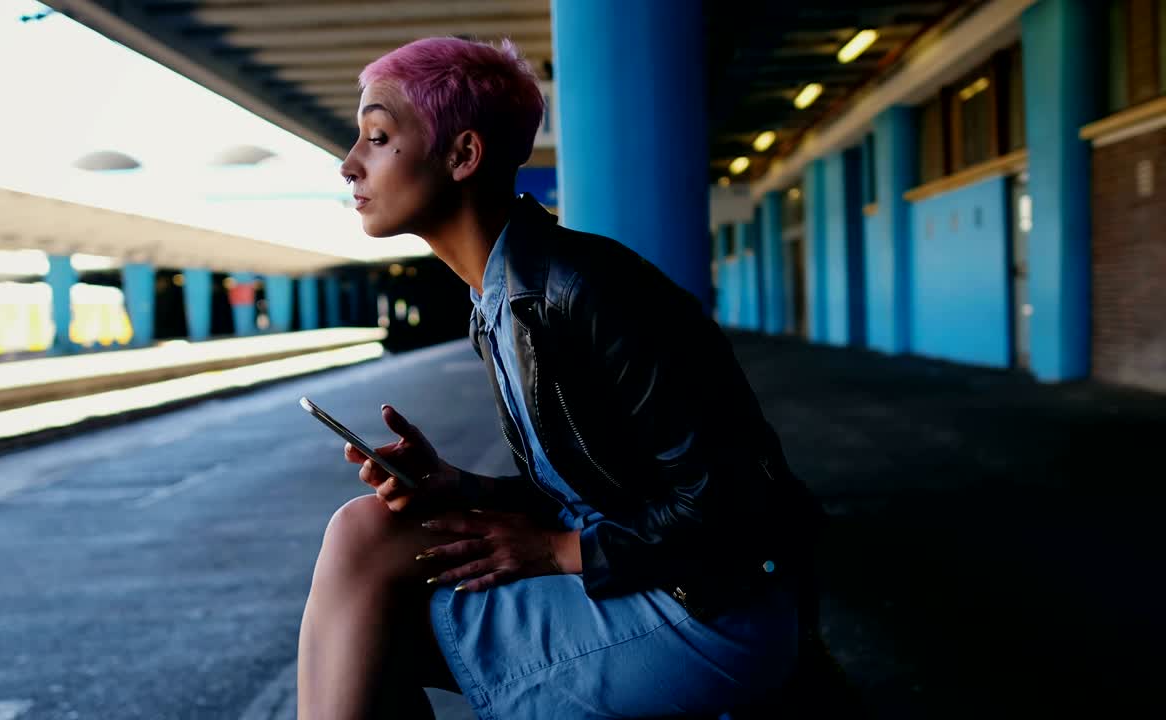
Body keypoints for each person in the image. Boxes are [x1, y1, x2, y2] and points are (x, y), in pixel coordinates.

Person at [297, 36, 826, 720]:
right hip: (641, 573)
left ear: (462, 156)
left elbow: (733, 503)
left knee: (371, 629)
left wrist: (556, 549)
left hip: (705, 607)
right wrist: (466, 487)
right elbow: (611, 485)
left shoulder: (585, 291)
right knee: (364, 532)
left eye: (376, 137)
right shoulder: (500, 299)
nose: (349, 165)